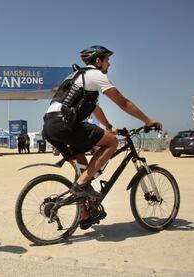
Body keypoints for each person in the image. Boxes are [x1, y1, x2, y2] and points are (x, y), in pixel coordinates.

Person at [42, 45, 162, 228]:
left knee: (82, 168)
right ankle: (82, 184)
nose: (109, 64)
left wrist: (108, 126)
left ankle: (83, 214)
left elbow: (95, 109)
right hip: (65, 124)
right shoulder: (95, 75)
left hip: (51, 126)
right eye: (107, 60)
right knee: (111, 142)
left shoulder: (77, 77)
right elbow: (123, 102)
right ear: (98, 61)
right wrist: (147, 120)